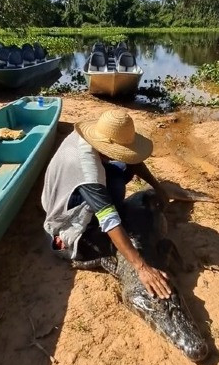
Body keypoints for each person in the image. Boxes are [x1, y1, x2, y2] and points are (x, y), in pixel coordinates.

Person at [41, 108, 171, 299]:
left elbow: (132, 159)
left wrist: (158, 188)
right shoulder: (88, 171)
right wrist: (141, 267)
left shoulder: (94, 133)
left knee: (122, 169)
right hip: (65, 217)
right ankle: (84, 233)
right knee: (116, 194)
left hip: (67, 189)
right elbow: (109, 219)